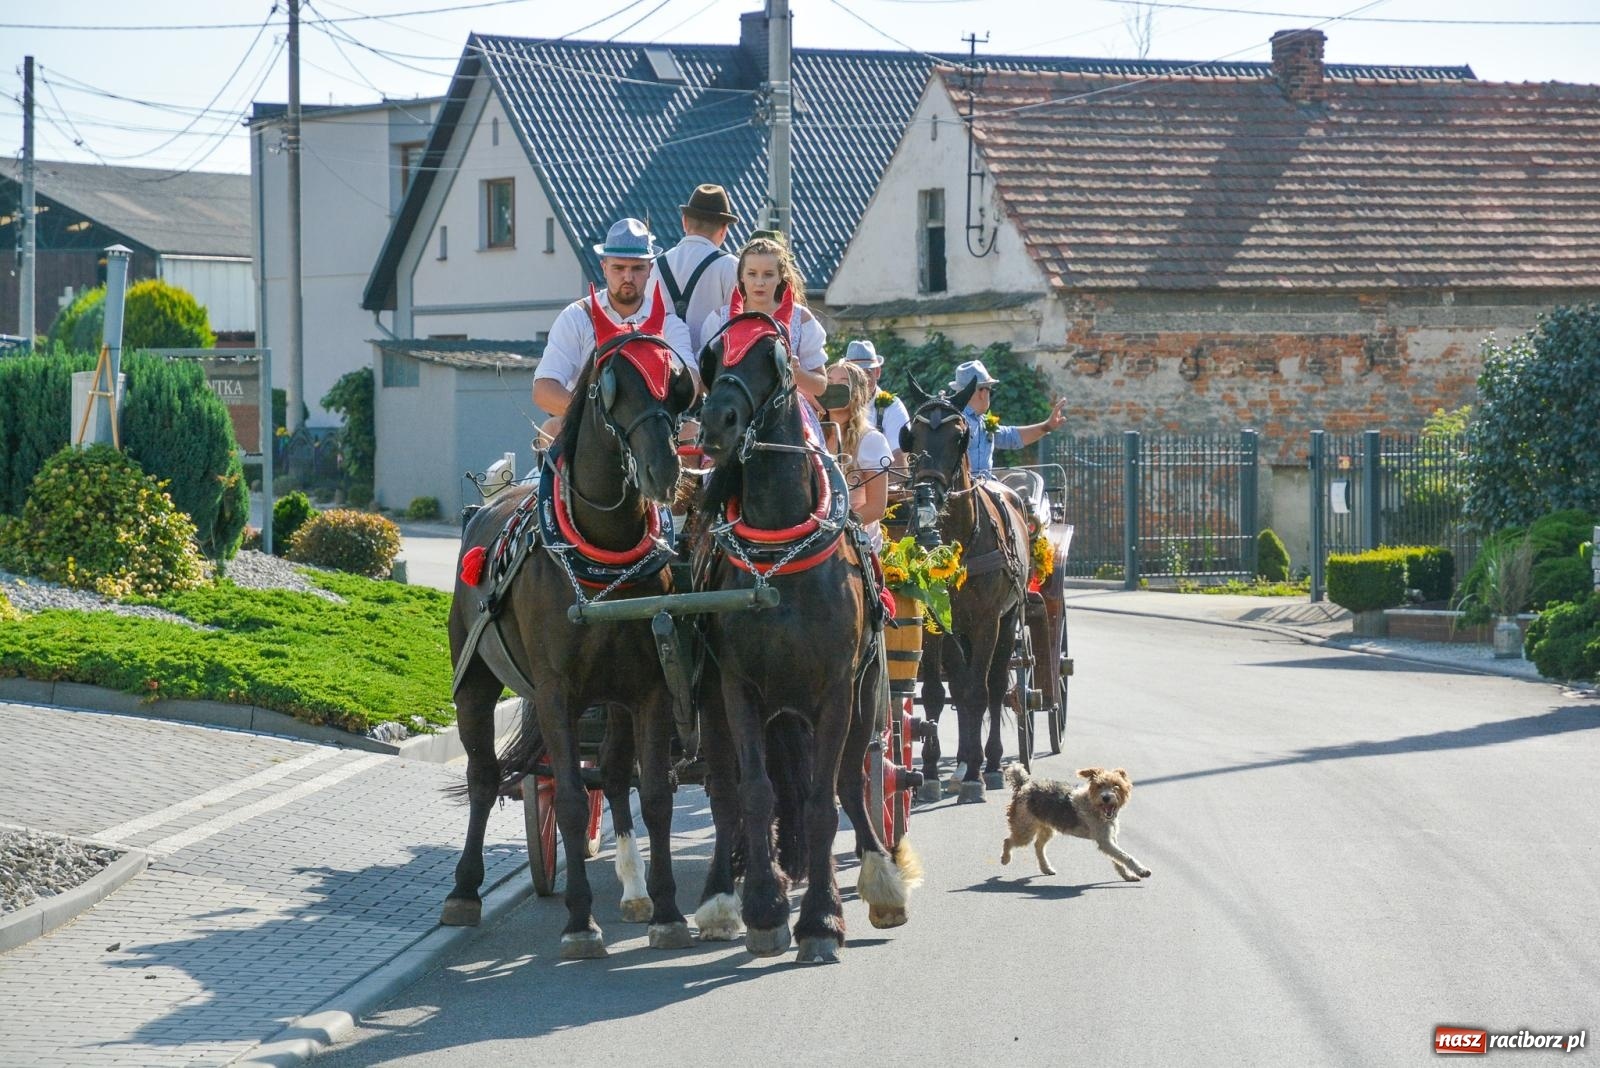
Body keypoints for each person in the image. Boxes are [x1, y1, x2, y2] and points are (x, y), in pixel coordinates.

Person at [533, 218, 694, 445]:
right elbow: (543, 390)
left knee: (693, 434)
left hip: (650, 433)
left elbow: (692, 381)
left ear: (650, 269)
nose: (628, 277)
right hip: (587, 434)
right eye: (619, 268)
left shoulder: (668, 324)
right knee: (552, 428)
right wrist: (597, 413)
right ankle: (548, 482)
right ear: (604, 268)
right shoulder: (577, 317)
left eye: (637, 268)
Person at [700, 233, 829, 405]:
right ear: (741, 276)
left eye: (768, 274)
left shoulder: (801, 319)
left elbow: (821, 385)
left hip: (787, 414)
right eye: (752, 273)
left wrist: (795, 372)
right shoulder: (719, 320)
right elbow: (703, 381)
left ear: (780, 277)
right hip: (732, 412)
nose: (759, 282)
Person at [649, 184, 740, 355]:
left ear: (684, 222)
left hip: (661, 369)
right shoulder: (730, 266)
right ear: (724, 230)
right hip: (712, 375)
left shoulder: (652, 266)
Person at [950, 359, 1066, 479]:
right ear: (983, 392)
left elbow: (1010, 437)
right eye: (991, 390)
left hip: (983, 488)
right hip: (963, 492)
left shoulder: (982, 421)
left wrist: (1047, 426)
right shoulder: (956, 421)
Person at [820, 361, 893, 549]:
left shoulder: (870, 440)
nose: (834, 387)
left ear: (857, 393)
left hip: (854, 536)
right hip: (814, 534)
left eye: (843, 382)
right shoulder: (812, 434)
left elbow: (876, 506)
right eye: (829, 382)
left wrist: (838, 527)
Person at [843, 338, 910, 472]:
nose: (861, 380)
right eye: (854, 374)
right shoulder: (835, 404)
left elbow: (899, 460)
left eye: (867, 372)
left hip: (881, 485)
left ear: (877, 372)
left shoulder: (891, 407)